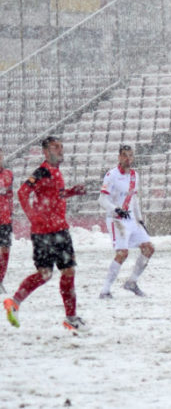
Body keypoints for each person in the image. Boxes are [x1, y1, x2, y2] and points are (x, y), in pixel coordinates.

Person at [4, 136, 88, 331]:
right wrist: (33, 216)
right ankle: (15, 302)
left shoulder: (56, 172)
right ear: (45, 152)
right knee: (47, 274)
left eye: (60, 146)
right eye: (54, 147)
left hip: (59, 229)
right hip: (46, 232)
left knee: (62, 272)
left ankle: (70, 317)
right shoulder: (42, 171)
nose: (59, 150)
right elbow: (22, 192)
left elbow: (55, 195)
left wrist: (71, 192)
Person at [98, 145, 155, 298]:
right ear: (119, 157)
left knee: (149, 248)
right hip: (117, 220)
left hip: (131, 218)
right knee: (122, 253)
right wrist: (115, 209)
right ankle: (105, 290)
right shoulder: (112, 175)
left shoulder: (135, 175)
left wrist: (140, 219)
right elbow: (102, 199)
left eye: (130, 155)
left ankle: (132, 282)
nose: (128, 158)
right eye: (124, 155)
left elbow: (134, 199)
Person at [0, 148, 13, 294]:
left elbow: (8, 193)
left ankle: (0, 279)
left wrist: (10, 212)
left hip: (4, 219)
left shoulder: (8, 174)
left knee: (5, 249)